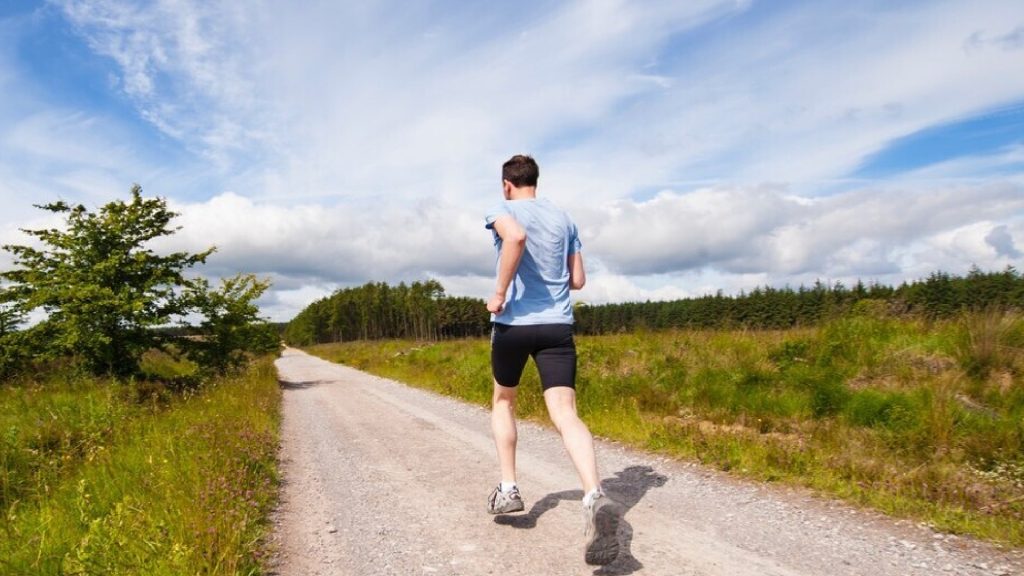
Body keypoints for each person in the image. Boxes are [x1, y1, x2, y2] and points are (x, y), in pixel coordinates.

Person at [484, 154, 619, 565]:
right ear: (535, 182)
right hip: (558, 326)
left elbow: (516, 238)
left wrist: (500, 292)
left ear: (507, 184)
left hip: (514, 325)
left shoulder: (502, 210)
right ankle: (594, 494)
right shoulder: (564, 218)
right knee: (565, 412)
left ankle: (508, 489)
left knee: (504, 400)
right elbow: (577, 279)